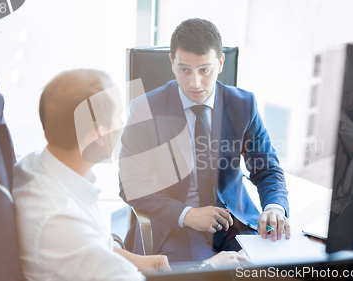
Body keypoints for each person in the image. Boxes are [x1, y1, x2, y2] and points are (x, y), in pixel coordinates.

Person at [13, 69, 247, 281]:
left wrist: (139, 261)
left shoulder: (35, 165)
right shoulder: (62, 222)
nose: (125, 124)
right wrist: (210, 268)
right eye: (119, 116)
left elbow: (91, 248)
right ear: (99, 135)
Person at [119, 18, 290, 263]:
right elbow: (131, 185)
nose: (195, 83)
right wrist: (187, 214)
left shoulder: (243, 104)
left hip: (236, 222)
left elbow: (267, 167)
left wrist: (274, 207)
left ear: (220, 63)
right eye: (185, 70)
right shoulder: (144, 109)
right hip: (177, 227)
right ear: (172, 63)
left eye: (204, 70)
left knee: (273, 271)